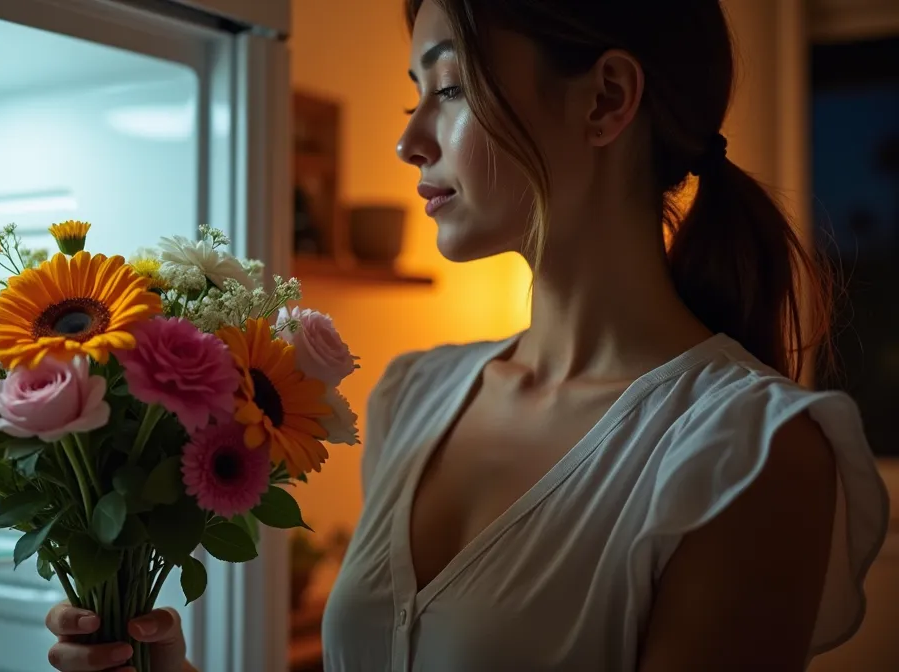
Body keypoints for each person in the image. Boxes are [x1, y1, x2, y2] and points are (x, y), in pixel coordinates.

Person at [44, 0, 892, 669]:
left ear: (606, 98)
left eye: (446, 90)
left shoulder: (749, 450)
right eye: (417, 94)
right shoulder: (413, 393)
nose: (409, 140)